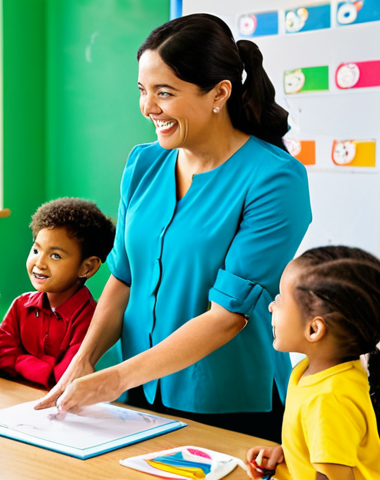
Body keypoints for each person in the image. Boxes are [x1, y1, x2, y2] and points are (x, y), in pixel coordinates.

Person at [36, 13, 312, 442]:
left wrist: (115, 378)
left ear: (220, 93)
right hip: (140, 392)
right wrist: (85, 359)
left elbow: (228, 317)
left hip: (229, 400)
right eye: (143, 91)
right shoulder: (143, 163)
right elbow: (123, 280)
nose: (148, 108)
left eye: (164, 93)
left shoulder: (275, 179)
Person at [245, 246, 380, 480]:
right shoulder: (312, 372)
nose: (271, 305)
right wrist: (287, 453)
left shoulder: (328, 399)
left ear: (314, 329)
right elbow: (325, 442)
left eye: (280, 299)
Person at [0, 198, 115, 388]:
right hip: (14, 398)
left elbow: (66, 376)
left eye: (55, 256)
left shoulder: (92, 319)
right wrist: (46, 368)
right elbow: (1, 357)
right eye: (36, 250)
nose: (39, 263)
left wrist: (21, 362)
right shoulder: (20, 305)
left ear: (87, 267)